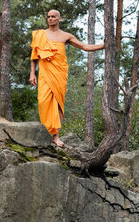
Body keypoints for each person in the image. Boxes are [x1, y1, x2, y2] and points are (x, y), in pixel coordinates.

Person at [29, 9, 105, 147]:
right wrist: (32, 73)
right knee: (43, 101)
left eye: (53, 16)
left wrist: (102, 46)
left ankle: (55, 136)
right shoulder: (40, 35)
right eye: (48, 17)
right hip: (45, 73)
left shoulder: (66, 36)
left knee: (58, 103)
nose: (50, 19)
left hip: (60, 73)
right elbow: (34, 57)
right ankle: (46, 131)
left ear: (59, 19)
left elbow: (84, 46)